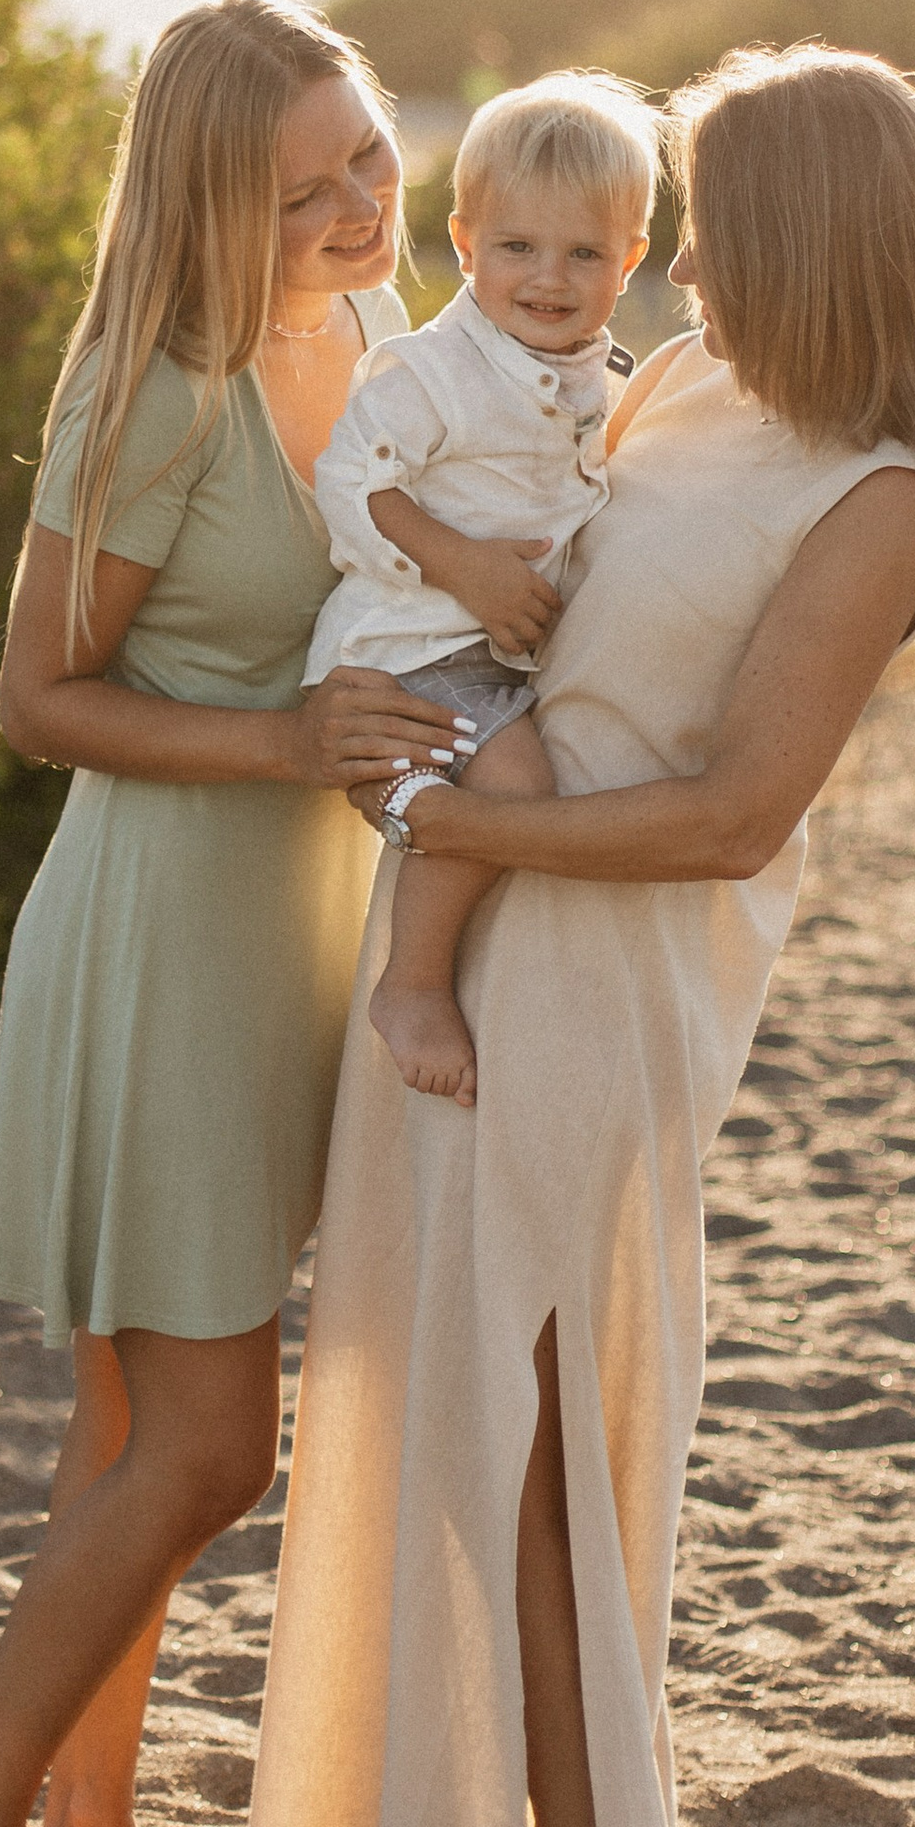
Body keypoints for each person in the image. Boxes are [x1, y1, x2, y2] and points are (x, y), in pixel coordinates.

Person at [236, 43, 915, 1827]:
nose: (675, 261)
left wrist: (453, 828)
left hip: (597, 988)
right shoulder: (685, 389)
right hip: (470, 942)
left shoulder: (879, 498)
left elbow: (725, 816)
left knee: (547, 1480)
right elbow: (486, 591)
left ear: (815, 239)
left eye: (714, 224)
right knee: (445, 1447)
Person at [0, 0, 467, 1827]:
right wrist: (289, 738)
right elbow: (35, 698)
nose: (347, 209)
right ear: (206, 202)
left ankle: (88, 1826)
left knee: (133, 1426)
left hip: (287, 936)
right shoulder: (149, 391)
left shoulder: (377, 356)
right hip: (155, 940)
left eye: (365, 161)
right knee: (209, 1447)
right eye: (298, 188)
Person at [306, 71, 659, 1104]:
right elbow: (352, 481)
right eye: (516, 248)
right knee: (515, 786)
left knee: (523, 773)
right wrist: (458, 562)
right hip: (410, 644)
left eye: (583, 253)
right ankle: (411, 985)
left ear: (628, 258)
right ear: (464, 244)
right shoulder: (431, 374)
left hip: (494, 656)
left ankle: (407, 806)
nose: (547, 278)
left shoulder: (609, 379)